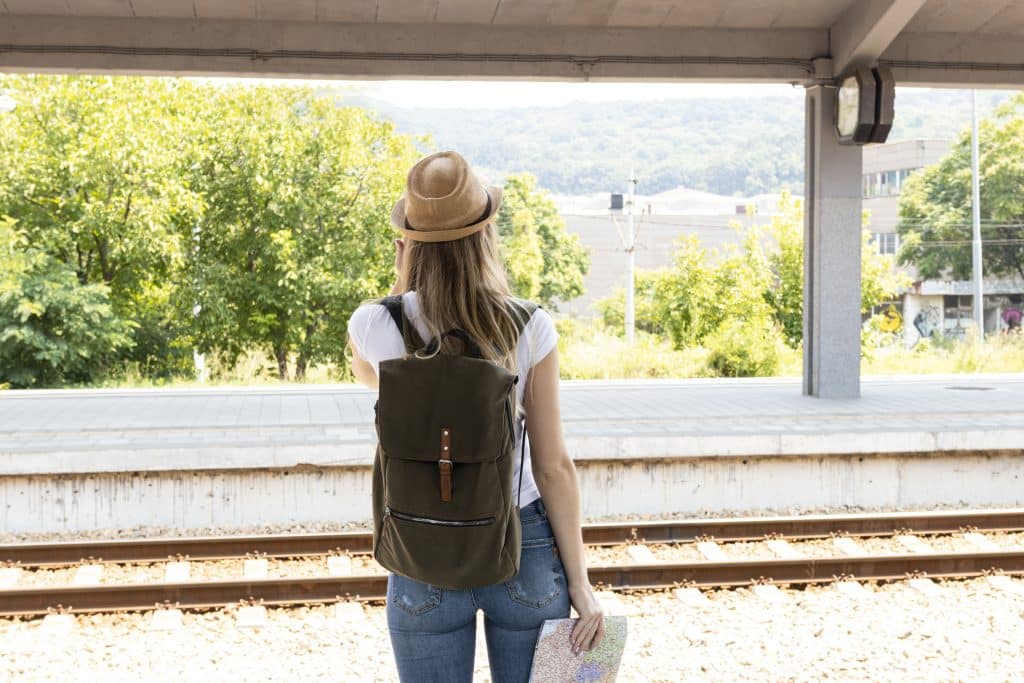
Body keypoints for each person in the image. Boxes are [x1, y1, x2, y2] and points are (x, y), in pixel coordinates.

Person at [346, 150, 605, 682]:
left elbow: (368, 376)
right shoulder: (529, 325)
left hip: (420, 547)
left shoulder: (373, 323)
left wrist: (401, 287)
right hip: (522, 543)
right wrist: (580, 582)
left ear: (410, 242)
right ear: (485, 236)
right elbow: (553, 466)